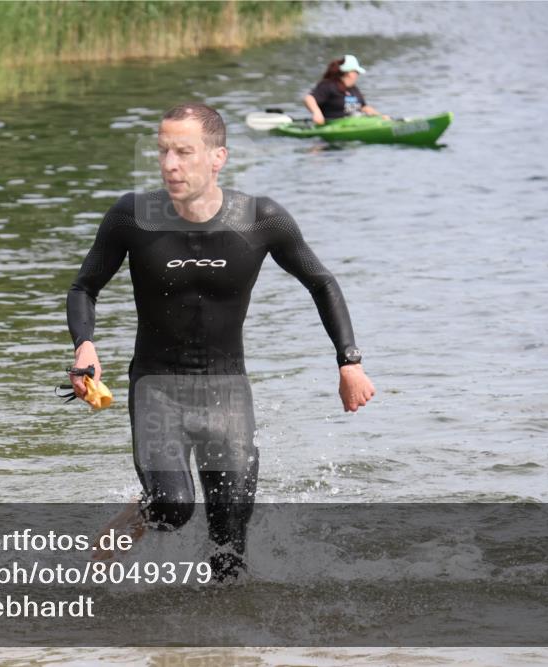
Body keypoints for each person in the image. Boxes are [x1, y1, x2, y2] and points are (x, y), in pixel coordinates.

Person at [66, 102, 375, 581]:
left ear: (217, 158)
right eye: (163, 151)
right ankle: (137, 515)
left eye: (183, 152)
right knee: (173, 508)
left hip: (227, 392)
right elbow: (84, 286)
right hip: (156, 388)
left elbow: (322, 282)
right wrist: (84, 344)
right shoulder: (132, 216)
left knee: (229, 552)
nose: (170, 164)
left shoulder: (260, 219)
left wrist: (349, 362)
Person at [303, 54, 389, 124]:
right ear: (349, 73)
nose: (358, 75)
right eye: (357, 72)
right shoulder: (328, 85)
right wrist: (317, 113)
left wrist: (380, 116)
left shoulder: (354, 89)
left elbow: (364, 107)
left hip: (356, 122)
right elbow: (309, 98)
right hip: (334, 124)